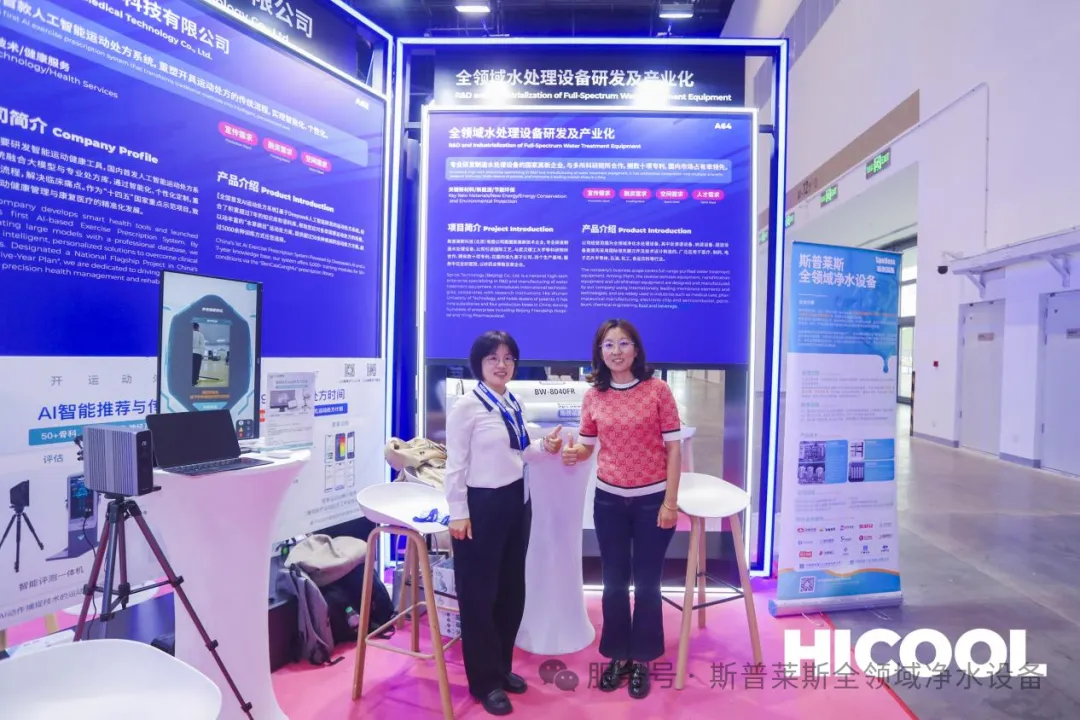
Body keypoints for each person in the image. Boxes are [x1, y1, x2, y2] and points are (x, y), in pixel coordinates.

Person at [444, 330, 564, 716]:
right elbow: (454, 465)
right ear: (478, 363)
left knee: (511, 591)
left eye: (508, 358)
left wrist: (544, 447)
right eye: (493, 358)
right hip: (481, 506)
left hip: (516, 501)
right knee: (479, 597)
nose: (502, 364)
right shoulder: (467, 406)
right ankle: (485, 682)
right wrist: (458, 512)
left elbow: (520, 452)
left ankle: (501, 667)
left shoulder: (513, 401)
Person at [562, 319, 682, 699]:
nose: (616, 351)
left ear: (636, 349)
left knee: (646, 585)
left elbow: (674, 449)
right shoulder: (593, 396)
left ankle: (642, 658)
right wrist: (572, 453)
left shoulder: (657, 390)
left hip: (652, 502)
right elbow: (587, 446)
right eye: (608, 345)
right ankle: (618, 655)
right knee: (613, 585)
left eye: (623, 343)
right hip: (609, 501)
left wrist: (670, 502)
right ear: (599, 353)